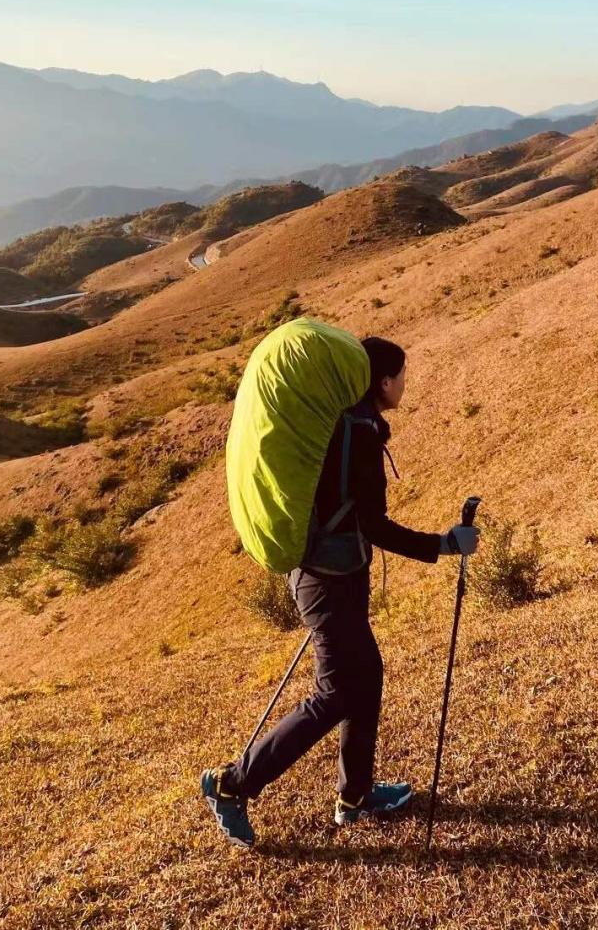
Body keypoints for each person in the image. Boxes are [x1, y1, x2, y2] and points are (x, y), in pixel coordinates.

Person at [201, 336, 480, 850]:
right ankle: (231, 784)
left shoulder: (339, 424)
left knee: (366, 675)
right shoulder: (361, 433)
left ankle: (355, 795)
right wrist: (443, 544)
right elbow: (373, 523)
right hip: (325, 580)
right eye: (401, 374)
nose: (405, 383)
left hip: (331, 572)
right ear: (382, 382)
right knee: (336, 692)